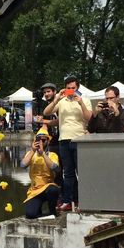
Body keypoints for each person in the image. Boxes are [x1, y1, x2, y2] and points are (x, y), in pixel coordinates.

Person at [43, 76, 92, 212]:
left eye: (73, 88)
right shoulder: (62, 100)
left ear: (78, 88)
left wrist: (81, 103)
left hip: (79, 139)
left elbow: (89, 118)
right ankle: (68, 201)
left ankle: (84, 200)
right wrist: (57, 98)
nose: (71, 90)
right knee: (67, 172)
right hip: (63, 139)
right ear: (65, 88)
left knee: (81, 172)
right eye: (68, 88)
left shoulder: (85, 100)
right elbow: (46, 112)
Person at [21, 128, 60, 219]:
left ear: (48, 141)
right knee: (30, 214)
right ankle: (39, 210)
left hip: (48, 187)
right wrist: (32, 150)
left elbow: (55, 168)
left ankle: (52, 209)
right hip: (35, 189)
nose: (41, 142)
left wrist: (43, 154)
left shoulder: (52, 155)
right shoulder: (30, 154)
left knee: (53, 190)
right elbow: (23, 165)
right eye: (38, 140)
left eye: (43, 140)